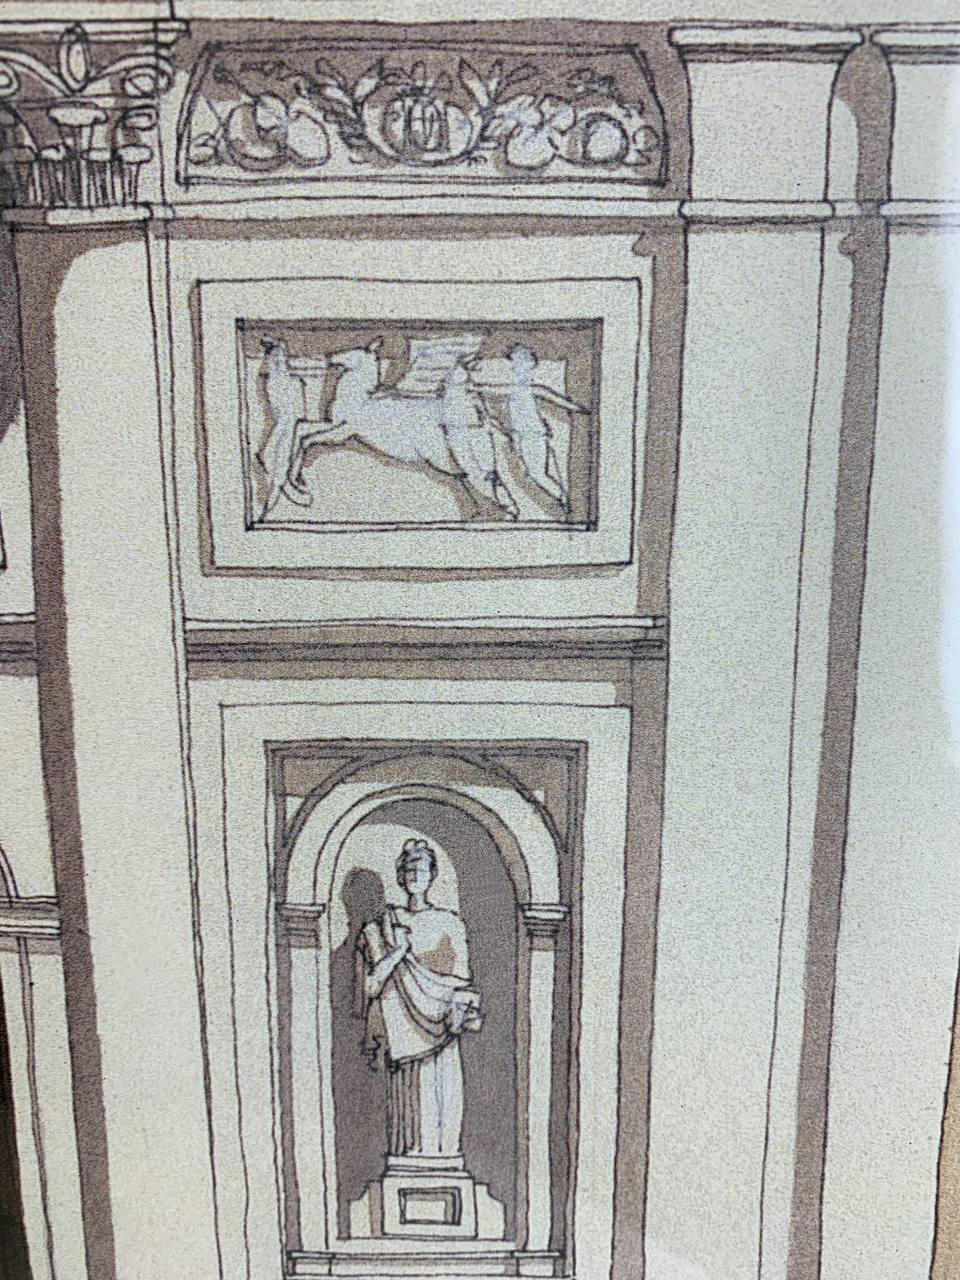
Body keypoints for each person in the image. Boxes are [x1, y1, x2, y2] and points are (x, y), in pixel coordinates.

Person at [355, 838, 481, 1159]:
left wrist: (455, 1013)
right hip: (402, 1033)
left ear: (431, 875)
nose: (414, 875)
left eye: (421, 869)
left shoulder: (450, 923)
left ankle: (443, 1158)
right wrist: (398, 951)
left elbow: (461, 982)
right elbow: (371, 986)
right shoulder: (381, 927)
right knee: (409, 1109)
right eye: (408, 869)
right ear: (400, 876)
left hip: (441, 1030)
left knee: (441, 1101)